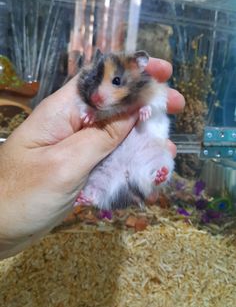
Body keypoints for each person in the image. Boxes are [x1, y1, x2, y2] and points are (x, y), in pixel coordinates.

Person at [0, 58, 185, 259]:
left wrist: (146, 106)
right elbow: (89, 107)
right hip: (112, 158)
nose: (99, 95)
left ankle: (156, 174)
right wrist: (89, 112)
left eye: (115, 81)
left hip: (145, 148)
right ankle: (94, 195)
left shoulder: (146, 85)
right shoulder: (94, 98)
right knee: (101, 175)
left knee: (161, 158)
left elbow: (159, 99)